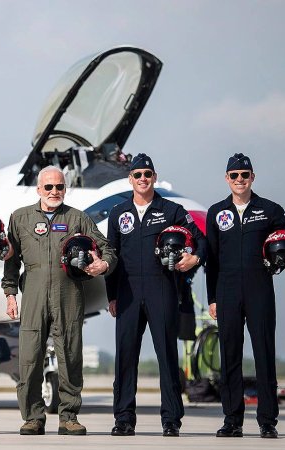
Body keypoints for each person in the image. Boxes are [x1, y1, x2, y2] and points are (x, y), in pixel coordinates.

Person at [2, 166, 116, 436]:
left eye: (60, 187)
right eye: (49, 187)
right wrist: (10, 294)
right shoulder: (20, 218)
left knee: (70, 356)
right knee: (29, 358)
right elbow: (10, 259)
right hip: (33, 294)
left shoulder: (78, 218)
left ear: (65, 189)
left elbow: (107, 247)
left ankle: (69, 417)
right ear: (39, 189)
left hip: (69, 295)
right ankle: (32, 417)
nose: (55, 192)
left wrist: (104, 264)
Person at [206, 153, 285, 439]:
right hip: (227, 290)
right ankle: (232, 421)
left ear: (253, 177)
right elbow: (211, 261)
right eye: (234, 175)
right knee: (229, 356)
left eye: (244, 174)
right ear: (226, 179)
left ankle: (268, 421)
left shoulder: (270, 209)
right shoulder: (216, 212)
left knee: (264, 354)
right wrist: (212, 299)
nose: (239, 180)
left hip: (259, 288)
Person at [106, 153, 207, 437]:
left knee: (166, 355)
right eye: (137, 175)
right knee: (125, 358)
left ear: (154, 177)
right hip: (126, 292)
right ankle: (124, 419)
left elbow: (200, 240)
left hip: (161, 288)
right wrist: (111, 296)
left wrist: (195, 258)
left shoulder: (172, 210)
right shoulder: (118, 213)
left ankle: (171, 420)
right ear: (130, 179)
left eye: (147, 174)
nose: (142, 179)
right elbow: (111, 257)